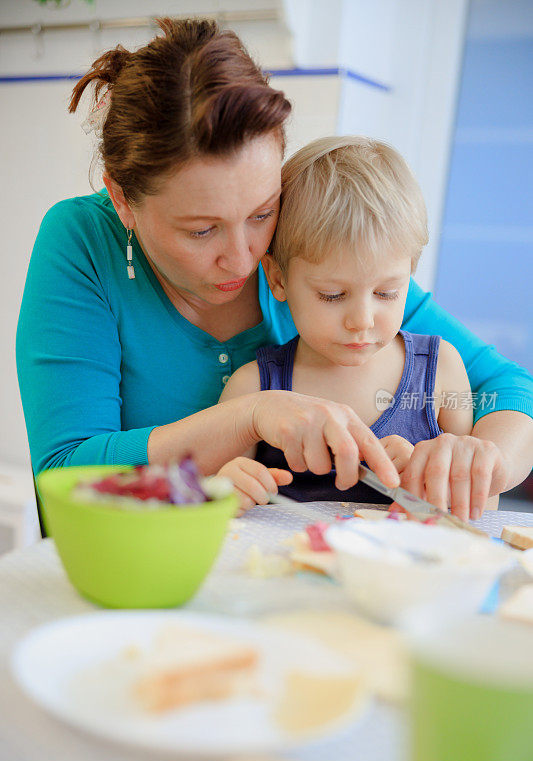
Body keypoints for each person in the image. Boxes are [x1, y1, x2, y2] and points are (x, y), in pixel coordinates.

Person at [16, 18, 533, 525]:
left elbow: (509, 390)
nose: (244, 259)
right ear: (123, 201)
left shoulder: (306, 240)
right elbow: (62, 478)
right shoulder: (83, 243)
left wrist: (473, 463)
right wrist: (247, 416)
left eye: (262, 213)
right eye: (201, 230)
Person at [217, 136, 497, 513]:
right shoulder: (252, 388)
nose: (362, 320)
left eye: (387, 292)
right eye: (332, 295)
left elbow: (481, 507)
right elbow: (217, 504)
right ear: (278, 279)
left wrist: (427, 481)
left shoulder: (442, 371)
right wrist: (222, 489)